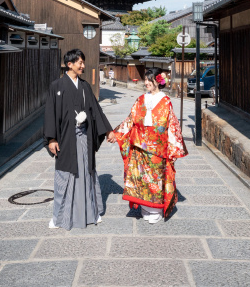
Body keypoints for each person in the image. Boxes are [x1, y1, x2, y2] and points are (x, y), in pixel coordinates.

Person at [44, 49, 115, 230]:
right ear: (70, 64)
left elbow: (96, 110)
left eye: (83, 62)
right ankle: (59, 217)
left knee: (87, 173)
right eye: (80, 63)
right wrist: (52, 138)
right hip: (66, 138)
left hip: (84, 137)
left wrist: (107, 130)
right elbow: (50, 114)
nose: (83, 66)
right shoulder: (57, 86)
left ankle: (92, 212)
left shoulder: (84, 86)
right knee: (65, 175)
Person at [109, 67, 187, 223]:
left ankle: (156, 209)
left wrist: (174, 147)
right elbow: (131, 119)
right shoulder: (141, 99)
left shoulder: (165, 100)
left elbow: (171, 124)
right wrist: (116, 133)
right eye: (145, 80)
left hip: (158, 147)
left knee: (155, 178)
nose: (146, 83)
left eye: (148, 80)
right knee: (142, 178)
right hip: (140, 144)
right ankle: (145, 208)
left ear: (157, 81)